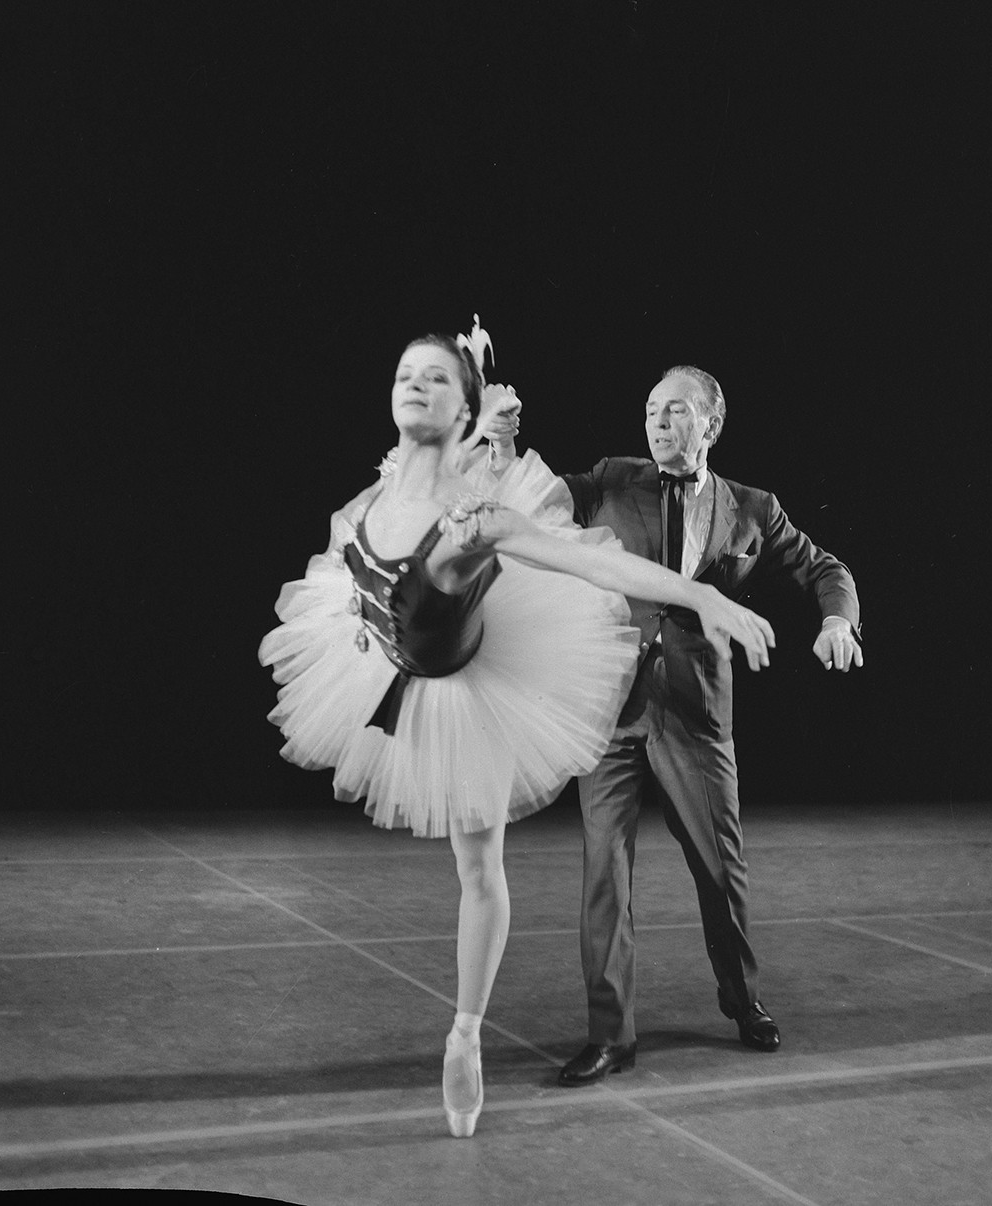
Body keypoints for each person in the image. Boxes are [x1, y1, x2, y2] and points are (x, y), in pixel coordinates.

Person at [258, 322, 776, 1138]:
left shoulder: (476, 521)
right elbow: (377, 531)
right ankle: (598, 1028)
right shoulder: (372, 495)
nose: (414, 384)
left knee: (480, 866)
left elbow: (594, 564)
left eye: (436, 378)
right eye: (405, 373)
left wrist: (704, 597)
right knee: (560, 866)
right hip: (391, 656)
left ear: (459, 408)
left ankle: (464, 1033)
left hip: (472, 681)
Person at [486, 363, 862, 1085]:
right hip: (608, 709)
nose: (658, 423)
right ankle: (610, 1036)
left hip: (694, 716)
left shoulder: (754, 507)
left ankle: (742, 999)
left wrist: (837, 621)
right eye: (651, 410)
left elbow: (824, 568)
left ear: (711, 424)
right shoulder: (610, 478)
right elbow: (530, 506)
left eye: (676, 411)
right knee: (606, 877)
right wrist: (502, 446)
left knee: (721, 872)